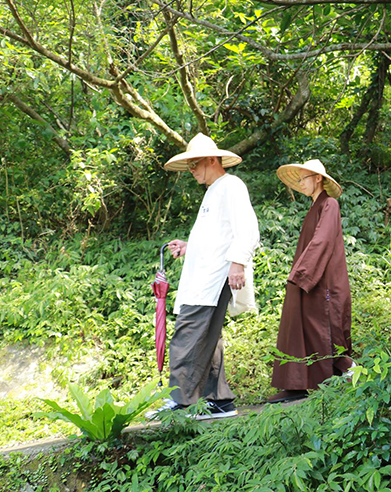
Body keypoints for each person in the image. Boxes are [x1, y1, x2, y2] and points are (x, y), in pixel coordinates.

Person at [147, 134, 260, 420]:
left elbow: (247, 228)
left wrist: (238, 264)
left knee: (187, 335)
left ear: (212, 159)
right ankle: (218, 400)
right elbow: (217, 237)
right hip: (203, 276)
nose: (192, 170)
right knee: (208, 339)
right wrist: (188, 246)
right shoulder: (213, 191)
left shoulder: (231, 185)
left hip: (212, 278)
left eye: (195, 163)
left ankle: (181, 402)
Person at [269, 159, 353, 403]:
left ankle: (346, 376)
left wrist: (301, 274)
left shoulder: (330, 204)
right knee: (300, 328)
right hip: (310, 281)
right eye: (299, 179)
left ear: (318, 178)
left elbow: (323, 241)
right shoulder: (314, 208)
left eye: (304, 178)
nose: (300, 183)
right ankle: (297, 383)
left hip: (325, 283)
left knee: (325, 332)